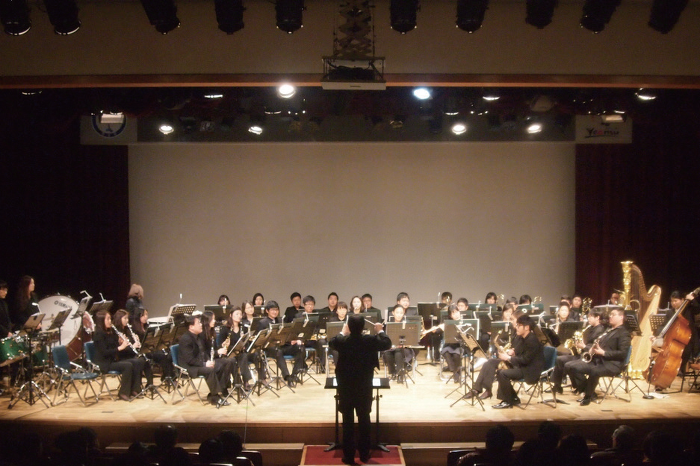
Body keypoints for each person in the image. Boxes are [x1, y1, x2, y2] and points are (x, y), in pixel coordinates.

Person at [329, 314, 391, 465]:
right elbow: (387, 343)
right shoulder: (369, 340)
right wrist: (380, 331)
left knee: (347, 421)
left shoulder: (343, 341)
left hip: (346, 386)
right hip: (364, 385)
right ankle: (364, 454)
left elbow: (332, 342)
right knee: (364, 419)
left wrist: (343, 332)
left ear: (349, 327)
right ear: (364, 327)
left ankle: (349, 456)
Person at [566, 307, 631, 406]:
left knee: (594, 371)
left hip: (612, 364)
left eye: (613, 315)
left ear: (621, 317)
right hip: (598, 360)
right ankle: (589, 392)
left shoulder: (624, 333)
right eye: (610, 314)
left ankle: (587, 396)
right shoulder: (609, 330)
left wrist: (603, 353)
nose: (610, 316)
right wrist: (593, 348)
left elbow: (622, 353)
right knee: (570, 366)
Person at [466, 304, 518, 400]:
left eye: (511, 313)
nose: (508, 315)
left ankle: (485, 391)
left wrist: (511, 352)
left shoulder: (517, 331)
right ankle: (479, 389)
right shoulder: (500, 325)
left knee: (493, 365)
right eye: (507, 312)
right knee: (488, 363)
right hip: (504, 354)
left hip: (514, 361)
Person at [492, 314, 545, 409]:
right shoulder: (523, 338)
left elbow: (525, 360)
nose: (516, 327)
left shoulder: (532, 340)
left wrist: (508, 358)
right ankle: (513, 398)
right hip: (523, 367)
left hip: (530, 371)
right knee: (500, 371)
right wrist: (511, 353)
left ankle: (508, 401)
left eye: (519, 325)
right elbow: (520, 354)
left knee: (503, 374)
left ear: (527, 327)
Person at [178, 314, 232, 406]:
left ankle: (218, 391)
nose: (201, 325)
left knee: (225, 362)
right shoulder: (186, 339)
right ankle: (215, 397)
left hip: (199, 363)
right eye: (198, 323)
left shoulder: (198, 336)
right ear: (191, 327)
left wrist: (209, 361)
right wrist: (204, 364)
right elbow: (190, 360)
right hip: (190, 367)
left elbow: (203, 353)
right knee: (209, 370)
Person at [549, 306, 605, 394]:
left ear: (597, 317)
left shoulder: (600, 330)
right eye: (588, 316)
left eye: (591, 317)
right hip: (582, 354)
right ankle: (557, 386)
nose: (588, 319)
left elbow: (595, 347)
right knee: (560, 359)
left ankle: (582, 387)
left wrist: (583, 346)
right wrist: (577, 344)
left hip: (590, 357)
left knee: (569, 365)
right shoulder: (589, 328)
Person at [92, 310, 146, 401]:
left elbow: (113, 346)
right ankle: (123, 392)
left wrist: (119, 342)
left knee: (137, 362)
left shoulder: (110, 332)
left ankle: (135, 389)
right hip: (104, 363)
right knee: (128, 366)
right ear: (101, 321)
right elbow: (104, 352)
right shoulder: (98, 334)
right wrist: (120, 347)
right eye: (107, 319)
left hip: (112, 360)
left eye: (110, 319)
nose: (110, 321)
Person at [256, 300, 304, 387]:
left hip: (283, 346)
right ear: (267, 311)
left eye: (276, 310)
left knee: (300, 348)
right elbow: (260, 339)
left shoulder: (281, 320)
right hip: (270, 348)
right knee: (278, 351)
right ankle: (287, 377)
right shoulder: (262, 323)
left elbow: (287, 334)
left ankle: (294, 374)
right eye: (272, 310)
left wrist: (292, 340)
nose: (275, 312)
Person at [131, 307, 174, 383]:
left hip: (151, 349)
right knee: (162, 355)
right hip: (143, 350)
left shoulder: (147, 326)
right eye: (143, 315)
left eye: (147, 315)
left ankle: (168, 377)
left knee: (167, 354)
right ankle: (166, 377)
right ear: (138, 316)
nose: (146, 317)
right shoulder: (134, 329)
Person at [113, 309, 155, 388]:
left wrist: (136, 340)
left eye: (127, 318)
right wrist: (133, 346)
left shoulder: (127, 330)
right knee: (140, 361)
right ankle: (137, 386)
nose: (127, 320)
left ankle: (150, 384)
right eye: (125, 318)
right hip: (122, 356)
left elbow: (130, 344)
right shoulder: (116, 332)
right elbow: (121, 349)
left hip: (130, 353)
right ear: (119, 319)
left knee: (145, 358)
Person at [382, 299, 414, 382]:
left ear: (403, 313)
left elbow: (411, 339)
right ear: (393, 313)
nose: (399, 315)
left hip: (405, 349)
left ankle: (400, 375)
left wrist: (406, 343)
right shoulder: (388, 325)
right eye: (397, 312)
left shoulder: (407, 324)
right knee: (387, 353)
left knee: (398, 352)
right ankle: (393, 373)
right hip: (392, 348)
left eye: (401, 313)